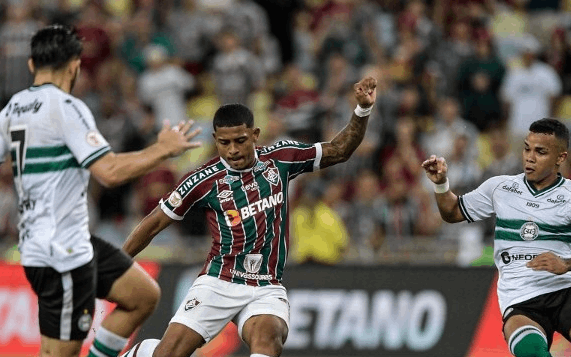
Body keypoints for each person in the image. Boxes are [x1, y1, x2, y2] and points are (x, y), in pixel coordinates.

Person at [120, 76, 377, 357]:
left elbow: (340, 150)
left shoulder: (280, 159)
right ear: (215, 140)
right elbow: (155, 222)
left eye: (240, 141)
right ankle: (143, 352)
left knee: (269, 341)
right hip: (219, 281)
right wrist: (115, 266)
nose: (232, 150)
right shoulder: (203, 179)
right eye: (224, 143)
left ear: (255, 135)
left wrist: (362, 110)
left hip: (266, 285)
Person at [0, 25, 202, 357]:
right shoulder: (66, 107)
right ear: (75, 66)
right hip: (61, 250)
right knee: (57, 353)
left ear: (32, 65)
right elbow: (108, 171)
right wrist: (162, 150)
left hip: (60, 241)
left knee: (142, 296)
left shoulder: (12, 110)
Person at [422, 118, 571, 357]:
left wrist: (566, 264)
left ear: (560, 158)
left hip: (565, 290)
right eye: (526, 148)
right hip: (520, 300)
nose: (529, 157)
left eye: (540, 152)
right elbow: (452, 212)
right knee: (532, 353)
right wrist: (441, 184)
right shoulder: (500, 188)